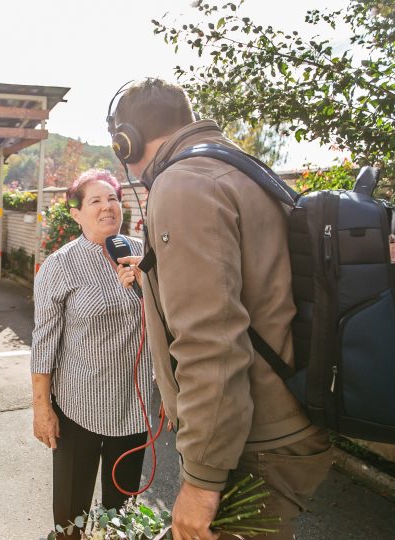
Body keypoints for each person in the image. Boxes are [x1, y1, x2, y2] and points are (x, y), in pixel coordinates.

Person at [109, 78, 332, 540]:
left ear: (125, 140)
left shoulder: (183, 185)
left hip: (255, 445)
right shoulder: (239, 168)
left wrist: (202, 481)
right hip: (280, 426)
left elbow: (212, 341)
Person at [31, 169, 153, 538]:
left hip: (133, 407)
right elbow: (44, 343)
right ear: (76, 213)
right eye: (96, 201)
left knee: (123, 513)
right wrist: (42, 408)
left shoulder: (144, 254)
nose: (107, 207)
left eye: (113, 198)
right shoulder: (59, 266)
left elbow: (171, 323)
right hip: (78, 408)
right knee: (70, 514)